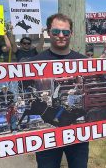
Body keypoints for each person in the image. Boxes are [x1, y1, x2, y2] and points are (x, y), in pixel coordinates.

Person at [30, 13, 89, 168]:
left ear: (71, 34)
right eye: (56, 32)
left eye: (66, 32)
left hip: (78, 133)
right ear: (48, 32)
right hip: (47, 134)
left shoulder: (84, 62)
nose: (61, 35)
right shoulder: (34, 63)